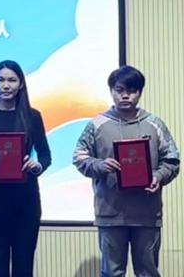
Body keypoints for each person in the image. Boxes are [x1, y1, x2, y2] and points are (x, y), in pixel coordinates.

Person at [73, 65, 180, 277]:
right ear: (111, 91)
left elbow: (172, 160)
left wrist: (158, 176)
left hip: (147, 213)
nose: (125, 95)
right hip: (110, 214)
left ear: (140, 92)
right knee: (112, 273)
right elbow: (79, 157)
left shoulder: (154, 124)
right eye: (119, 90)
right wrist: (100, 165)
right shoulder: (97, 124)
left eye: (131, 91)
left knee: (148, 272)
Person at [0, 60, 52, 277]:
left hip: (25, 199)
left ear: (21, 84)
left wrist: (37, 165)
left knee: (23, 265)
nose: (6, 85)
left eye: (12, 80)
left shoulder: (32, 116)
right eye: (1, 80)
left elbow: (45, 155)